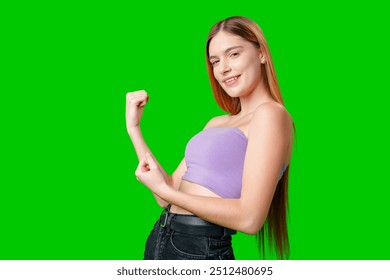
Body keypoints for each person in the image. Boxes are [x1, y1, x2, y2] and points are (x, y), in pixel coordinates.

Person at [126, 16, 294, 260]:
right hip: (162, 239)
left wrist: (167, 191)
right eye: (215, 61)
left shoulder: (271, 115)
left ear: (261, 53)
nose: (223, 68)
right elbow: (166, 194)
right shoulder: (216, 122)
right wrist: (134, 128)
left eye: (233, 54)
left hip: (199, 249)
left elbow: (250, 219)